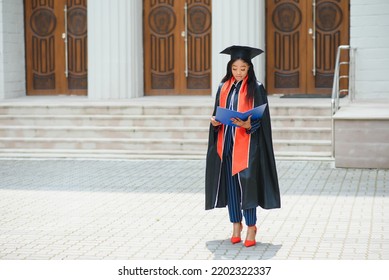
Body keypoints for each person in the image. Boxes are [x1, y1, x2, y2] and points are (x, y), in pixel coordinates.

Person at [205, 45, 281, 247]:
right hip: (226, 143)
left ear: (249, 69)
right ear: (230, 68)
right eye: (235, 68)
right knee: (231, 188)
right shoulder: (224, 87)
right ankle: (236, 225)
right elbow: (217, 112)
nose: (238, 72)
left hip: (247, 147)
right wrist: (214, 121)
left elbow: (262, 118)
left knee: (246, 186)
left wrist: (249, 124)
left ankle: (251, 227)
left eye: (242, 69)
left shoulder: (256, 87)